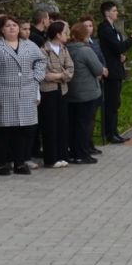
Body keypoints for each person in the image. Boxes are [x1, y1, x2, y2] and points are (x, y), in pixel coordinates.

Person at [0, 16, 46, 174]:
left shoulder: (29, 45)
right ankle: (2, 163)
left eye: (15, 25)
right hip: (3, 92)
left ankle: (20, 162)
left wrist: (36, 77)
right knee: (3, 130)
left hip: (26, 92)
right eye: (8, 26)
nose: (12, 28)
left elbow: (41, 61)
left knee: (22, 130)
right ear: (1, 29)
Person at [66, 17, 105, 164]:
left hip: (71, 92)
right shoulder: (85, 51)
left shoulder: (67, 49)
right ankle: (83, 154)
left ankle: (74, 152)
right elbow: (98, 69)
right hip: (87, 93)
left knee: (73, 124)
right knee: (84, 125)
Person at [37, 20, 74, 168]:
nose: (67, 35)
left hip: (62, 90)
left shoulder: (64, 49)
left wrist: (59, 75)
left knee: (62, 123)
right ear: (58, 34)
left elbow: (70, 69)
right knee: (50, 124)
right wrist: (61, 75)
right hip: (48, 91)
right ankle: (51, 158)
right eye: (65, 32)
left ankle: (62, 154)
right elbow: (45, 74)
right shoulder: (43, 50)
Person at [97, 2, 131, 142]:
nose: (117, 13)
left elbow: (117, 50)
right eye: (114, 10)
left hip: (117, 68)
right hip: (110, 70)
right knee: (111, 102)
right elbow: (118, 47)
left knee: (116, 102)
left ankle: (114, 131)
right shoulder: (105, 28)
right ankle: (110, 133)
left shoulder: (113, 28)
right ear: (107, 13)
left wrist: (122, 57)